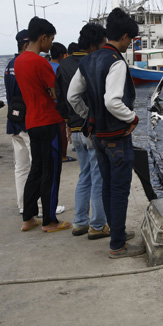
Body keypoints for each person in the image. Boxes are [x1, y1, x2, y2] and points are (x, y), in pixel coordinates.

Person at [68, 8, 144, 258]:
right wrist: (131, 117)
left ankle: (116, 234)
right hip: (117, 138)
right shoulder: (117, 62)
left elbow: (72, 96)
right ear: (123, 37)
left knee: (107, 187)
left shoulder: (87, 60)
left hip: (98, 137)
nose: (129, 45)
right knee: (120, 190)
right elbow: (113, 101)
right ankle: (118, 245)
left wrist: (89, 115)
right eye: (129, 40)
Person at [15, 16, 72, 233]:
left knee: (36, 170)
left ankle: (28, 217)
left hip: (31, 121)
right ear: (43, 37)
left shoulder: (19, 61)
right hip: (49, 121)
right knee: (52, 171)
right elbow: (55, 92)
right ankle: (50, 220)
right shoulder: (41, 62)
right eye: (50, 40)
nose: (50, 45)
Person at [57, 23, 112, 239]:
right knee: (99, 178)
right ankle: (98, 225)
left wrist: (69, 124)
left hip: (75, 129)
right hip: (92, 127)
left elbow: (62, 100)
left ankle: (80, 222)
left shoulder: (63, 65)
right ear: (93, 45)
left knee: (84, 176)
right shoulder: (94, 62)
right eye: (102, 44)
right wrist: (90, 115)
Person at [4, 30, 31, 214]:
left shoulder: (9, 66)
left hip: (13, 121)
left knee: (20, 167)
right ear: (26, 44)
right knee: (37, 166)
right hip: (28, 122)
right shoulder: (25, 64)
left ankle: (23, 205)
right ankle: (37, 206)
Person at [49, 42, 73, 163]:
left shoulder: (46, 66)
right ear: (62, 55)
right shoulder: (60, 68)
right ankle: (63, 155)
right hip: (59, 104)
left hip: (48, 105)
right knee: (61, 131)